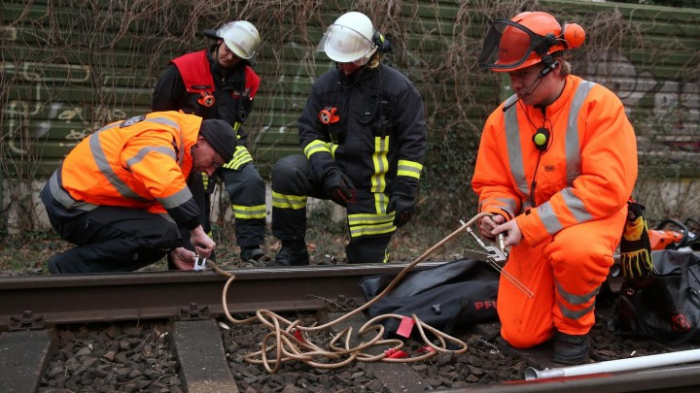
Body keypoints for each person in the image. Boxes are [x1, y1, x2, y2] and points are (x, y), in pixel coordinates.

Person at [472, 11, 638, 364]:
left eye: (524, 74)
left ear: (556, 65)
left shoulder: (599, 106)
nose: (515, 84)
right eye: (511, 75)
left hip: (593, 217)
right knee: (519, 334)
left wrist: (527, 225)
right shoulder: (501, 120)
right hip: (534, 226)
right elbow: (495, 182)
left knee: (576, 252)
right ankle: (558, 299)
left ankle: (573, 331)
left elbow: (606, 188)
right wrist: (497, 212)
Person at [268, 11, 427, 267]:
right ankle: (292, 249)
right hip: (333, 175)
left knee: (366, 267)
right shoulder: (325, 87)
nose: (343, 67)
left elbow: (413, 142)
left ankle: (367, 255)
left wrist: (405, 191)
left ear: (369, 54)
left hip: (374, 187)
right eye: (339, 61)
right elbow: (310, 132)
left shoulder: (398, 90)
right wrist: (327, 171)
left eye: (350, 61)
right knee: (287, 171)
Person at [41, 111, 238, 274]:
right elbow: (166, 184)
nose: (210, 171)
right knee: (159, 235)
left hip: (84, 201)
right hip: (70, 204)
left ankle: (90, 282)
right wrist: (196, 230)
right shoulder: (161, 136)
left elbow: (157, 206)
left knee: (163, 236)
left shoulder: (178, 145)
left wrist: (175, 247)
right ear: (201, 141)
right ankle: (70, 268)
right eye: (214, 162)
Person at [152, 21, 267, 263]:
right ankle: (201, 256)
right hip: (190, 147)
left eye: (238, 54)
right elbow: (159, 115)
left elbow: (240, 118)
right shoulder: (184, 68)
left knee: (250, 181)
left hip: (228, 144)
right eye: (228, 48)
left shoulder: (249, 80)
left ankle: (251, 247)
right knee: (195, 199)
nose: (230, 56)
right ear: (218, 40)